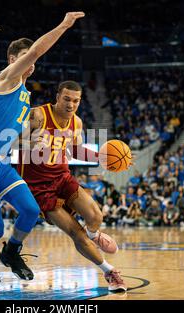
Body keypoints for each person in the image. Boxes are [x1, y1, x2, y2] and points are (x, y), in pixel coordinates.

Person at [0, 12, 86, 286]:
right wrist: (64, 25)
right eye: (25, 56)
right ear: (12, 60)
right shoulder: (5, 80)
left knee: (31, 210)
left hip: (1, 164)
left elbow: (12, 139)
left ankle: (11, 252)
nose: (31, 61)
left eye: (31, 57)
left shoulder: (25, 97)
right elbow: (37, 51)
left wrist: (29, 142)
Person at [18, 80, 129, 292]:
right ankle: (109, 271)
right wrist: (29, 143)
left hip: (62, 176)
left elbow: (75, 151)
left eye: (76, 101)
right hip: (39, 187)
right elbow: (9, 141)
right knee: (76, 233)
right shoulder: (37, 115)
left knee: (96, 216)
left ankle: (94, 235)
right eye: (67, 99)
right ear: (58, 96)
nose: (71, 105)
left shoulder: (76, 122)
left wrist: (100, 157)